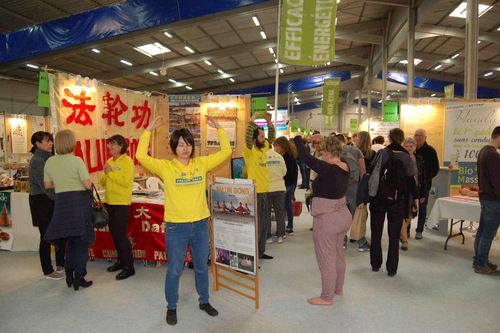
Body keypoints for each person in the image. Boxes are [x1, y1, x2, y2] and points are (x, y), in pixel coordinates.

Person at [136, 115, 231, 325]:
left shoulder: (201, 163)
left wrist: (220, 130)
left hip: (200, 225)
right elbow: (140, 155)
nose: (185, 148)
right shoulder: (166, 167)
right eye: (180, 145)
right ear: (173, 148)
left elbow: (226, 152)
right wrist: (148, 130)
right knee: (175, 270)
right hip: (176, 227)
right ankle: (171, 307)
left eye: (188, 144)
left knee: (200, 267)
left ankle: (204, 300)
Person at [294, 134, 351, 306]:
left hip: (327, 219)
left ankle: (327, 297)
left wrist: (299, 139)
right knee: (338, 254)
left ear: (326, 151)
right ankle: (338, 288)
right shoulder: (344, 166)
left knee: (326, 259)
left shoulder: (329, 168)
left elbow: (305, 157)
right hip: (342, 216)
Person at [43, 129, 94, 290]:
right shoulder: (77, 160)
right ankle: (80, 275)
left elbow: (47, 185)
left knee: (70, 240)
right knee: (82, 240)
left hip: (62, 203)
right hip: (78, 202)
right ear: (71, 143)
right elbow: (87, 184)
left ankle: (69, 273)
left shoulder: (50, 162)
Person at [368, 128, 418, 277]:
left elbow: (372, 174)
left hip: (379, 199)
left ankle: (375, 264)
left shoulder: (381, 154)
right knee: (394, 235)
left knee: (376, 232)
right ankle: (391, 268)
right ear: (402, 140)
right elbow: (411, 182)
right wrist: (415, 201)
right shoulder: (407, 158)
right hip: (397, 200)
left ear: (389, 138)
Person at [28, 131, 66, 280]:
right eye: (47, 141)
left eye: (51, 141)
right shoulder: (38, 161)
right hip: (42, 202)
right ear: (37, 144)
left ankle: (60, 263)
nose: (51, 144)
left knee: (59, 233)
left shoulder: (49, 158)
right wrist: (61, 199)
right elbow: (46, 187)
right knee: (46, 236)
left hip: (50, 200)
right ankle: (47, 270)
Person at [99, 134, 135, 280]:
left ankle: (129, 267)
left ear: (121, 145)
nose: (110, 147)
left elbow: (126, 182)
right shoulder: (109, 161)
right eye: (109, 144)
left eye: (113, 144)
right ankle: (121, 261)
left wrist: (110, 173)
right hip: (109, 201)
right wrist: (105, 173)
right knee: (114, 234)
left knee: (121, 235)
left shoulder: (127, 161)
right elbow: (102, 182)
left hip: (121, 203)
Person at [244, 112, 275, 260]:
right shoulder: (250, 151)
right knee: (255, 226)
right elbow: (248, 134)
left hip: (265, 191)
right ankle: (253, 254)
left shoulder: (264, 148)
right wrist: (253, 118)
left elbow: (272, 138)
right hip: (255, 192)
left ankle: (261, 252)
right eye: (261, 136)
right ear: (254, 139)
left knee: (264, 224)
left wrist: (269, 123)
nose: (265, 139)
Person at [472, 126, 500, 275]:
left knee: (482, 231)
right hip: (493, 199)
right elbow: (497, 182)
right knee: (488, 233)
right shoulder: (493, 155)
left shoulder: (484, 151)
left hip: (485, 197)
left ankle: (480, 259)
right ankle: (480, 262)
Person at [335, 134, 366, 249]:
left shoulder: (333, 151)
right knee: (355, 211)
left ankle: (342, 239)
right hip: (353, 185)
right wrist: (362, 186)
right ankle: (359, 239)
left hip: (338, 185)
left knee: (339, 211)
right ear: (345, 140)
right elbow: (363, 170)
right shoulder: (355, 150)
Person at [400, 137, 426, 251]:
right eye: (407, 146)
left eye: (411, 146)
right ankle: (404, 240)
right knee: (403, 216)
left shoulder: (419, 159)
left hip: (416, 190)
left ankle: (402, 233)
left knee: (411, 215)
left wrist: (423, 193)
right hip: (404, 191)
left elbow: (423, 177)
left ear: (415, 147)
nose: (409, 148)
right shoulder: (401, 159)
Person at [352, 131, 375, 251]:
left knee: (351, 209)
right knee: (362, 211)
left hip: (353, 184)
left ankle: (352, 234)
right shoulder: (373, 154)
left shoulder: (353, 152)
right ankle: (360, 235)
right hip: (365, 185)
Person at [414, 128, 439, 238]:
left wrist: (425, 178)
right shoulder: (411, 150)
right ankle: (406, 230)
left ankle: (419, 230)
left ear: (425, 138)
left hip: (424, 185)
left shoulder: (430, 151)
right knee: (408, 207)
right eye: (416, 135)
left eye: (420, 135)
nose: (418, 137)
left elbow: (435, 168)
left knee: (422, 208)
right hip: (411, 184)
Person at [273, 136, 298, 236]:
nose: (275, 148)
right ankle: (289, 226)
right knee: (287, 205)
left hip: (285, 184)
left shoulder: (284, 158)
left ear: (281, 146)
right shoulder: (290, 156)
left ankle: (281, 229)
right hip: (290, 184)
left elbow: (285, 172)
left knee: (281, 207)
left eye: (276, 146)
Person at [265, 148, 287, 244]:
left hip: (267, 188)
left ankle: (268, 236)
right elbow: (284, 172)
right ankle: (280, 236)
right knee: (280, 213)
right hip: (279, 187)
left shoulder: (263, 157)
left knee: (266, 213)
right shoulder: (279, 156)